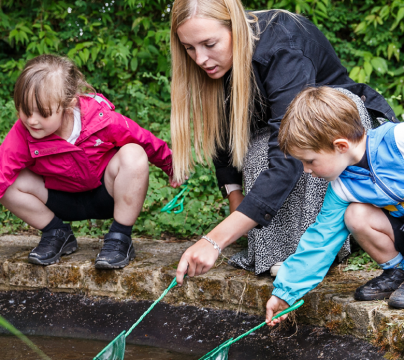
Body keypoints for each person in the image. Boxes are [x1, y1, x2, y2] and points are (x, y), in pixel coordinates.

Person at [170, 0, 397, 285]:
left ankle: (322, 248)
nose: (200, 58)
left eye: (209, 44)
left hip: (332, 122)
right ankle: (278, 251)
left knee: (310, 146)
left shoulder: (282, 44)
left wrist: (214, 241)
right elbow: (225, 137)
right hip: (282, 130)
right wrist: (236, 203)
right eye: (189, 48)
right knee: (255, 155)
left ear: (236, 27)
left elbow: (289, 155)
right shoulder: (215, 64)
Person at [0, 54, 178, 269]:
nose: (32, 121)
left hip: (106, 195)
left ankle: (120, 237)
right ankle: (57, 232)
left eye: (43, 114)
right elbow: (3, 169)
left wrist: (171, 166)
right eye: (25, 111)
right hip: (59, 199)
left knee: (134, 153)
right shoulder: (23, 132)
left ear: (68, 104)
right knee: (8, 183)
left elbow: (144, 139)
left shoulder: (101, 121)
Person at [265, 86, 404, 327]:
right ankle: (397, 272)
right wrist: (285, 293)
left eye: (309, 161)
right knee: (355, 215)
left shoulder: (398, 142)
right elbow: (321, 239)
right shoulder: (343, 186)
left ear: (340, 146)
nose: (307, 171)